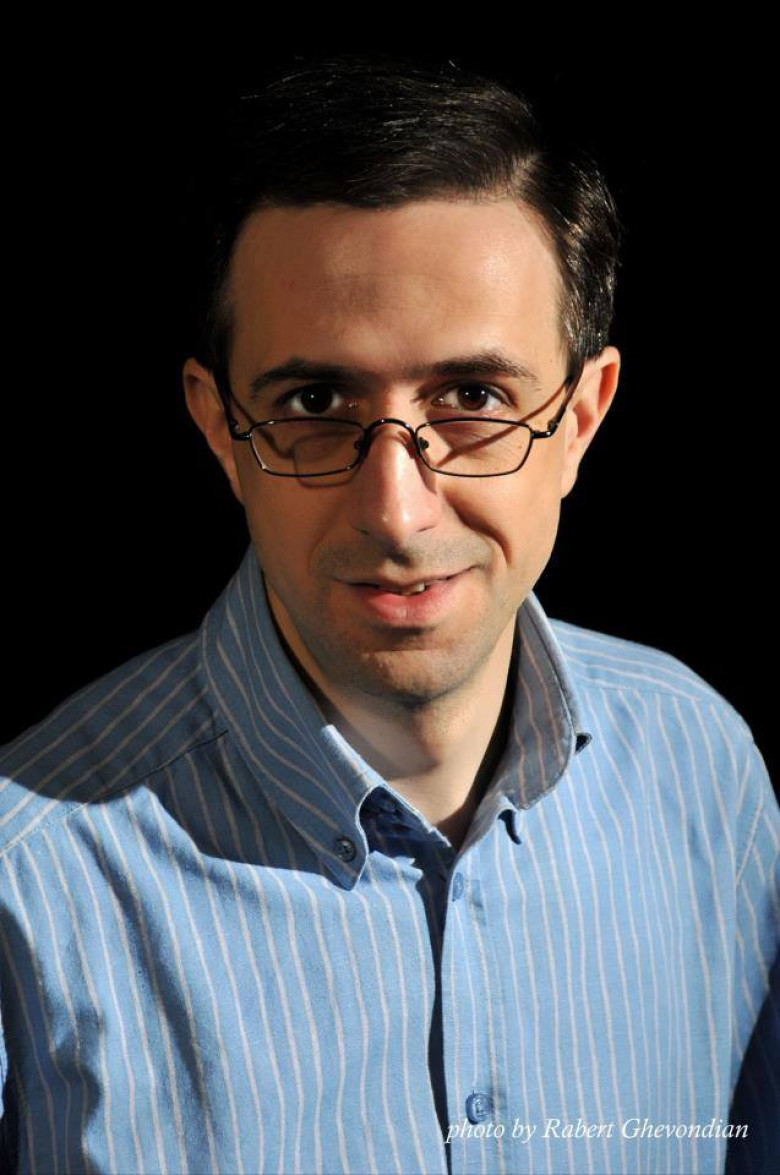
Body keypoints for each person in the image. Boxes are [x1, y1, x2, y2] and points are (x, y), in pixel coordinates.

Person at [1, 52, 777, 1175]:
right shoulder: (25, 884)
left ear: (582, 418)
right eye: (316, 401)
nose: (397, 511)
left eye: (472, 398)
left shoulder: (707, 769)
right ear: (219, 428)